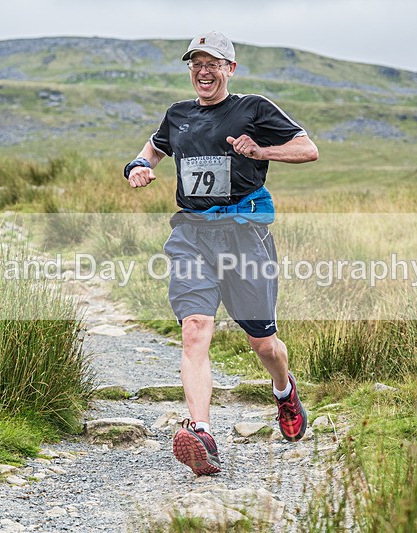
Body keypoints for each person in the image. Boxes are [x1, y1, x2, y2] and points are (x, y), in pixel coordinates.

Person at [123, 31, 319, 476]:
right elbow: (154, 147)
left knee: (263, 343)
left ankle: (284, 391)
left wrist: (261, 150)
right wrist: (139, 166)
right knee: (194, 329)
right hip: (192, 235)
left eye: (212, 63)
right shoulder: (178, 115)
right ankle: (202, 434)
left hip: (244, 235)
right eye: (196, 64)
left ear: (230, 69)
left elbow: (308, 149)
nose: (203, 71)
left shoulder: (253, 108)